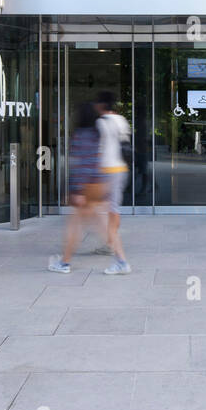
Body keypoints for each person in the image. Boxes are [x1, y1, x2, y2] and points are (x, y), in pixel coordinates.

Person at [48, 101, 105, 274]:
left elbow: (83, 165)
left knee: (75, 226)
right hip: (98, 184)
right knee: (96, 220)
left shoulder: (81, 135)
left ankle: (65, 263)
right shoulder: (97, 134)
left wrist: (77, 190)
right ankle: (116, 251)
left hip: (86, 186)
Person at [94, 89, 131, 275]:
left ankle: (119, 256)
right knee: (111, 208)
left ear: (101, 104)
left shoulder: (101, 122)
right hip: (121, 169)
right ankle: (111, 242)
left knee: (104, 210)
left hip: (108, 171)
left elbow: (100, 150)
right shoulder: (121, 120)